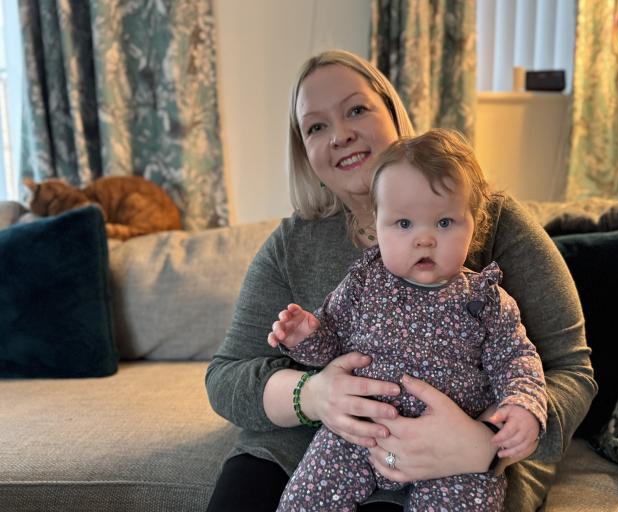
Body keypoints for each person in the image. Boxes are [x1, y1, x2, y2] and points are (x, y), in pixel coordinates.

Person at [205, 49, 596, 512]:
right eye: (316, 126)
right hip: (320, 450)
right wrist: (311, 394)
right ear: (304, 151)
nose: (341, 134)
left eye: (356, 109)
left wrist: (485, 441)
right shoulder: (294, 244)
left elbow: (572, 371)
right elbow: (226, 376)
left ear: (393, 114)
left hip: (466, 467)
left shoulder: (490, 217)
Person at [268, 129, 548, 511]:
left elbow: (517, 360)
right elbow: (330, 345)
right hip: (360, 433)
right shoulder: (363, 283)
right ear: (375, 228)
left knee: (471, 498)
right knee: (307, 498)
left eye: (445, 223)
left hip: (453, 449)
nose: (425, 239)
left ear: (474, 223)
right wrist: (305, 335)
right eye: (403, 224)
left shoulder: (485, 300)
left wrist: (522, 406)